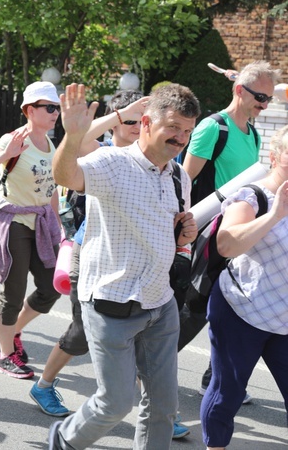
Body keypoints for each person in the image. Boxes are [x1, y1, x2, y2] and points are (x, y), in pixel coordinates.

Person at [49, 83, 200, 449]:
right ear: (146, 122)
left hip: (160, 304)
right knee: (115, 403)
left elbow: (172, 235)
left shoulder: (179, 176)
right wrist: (72, 136)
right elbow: (65, 176)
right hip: (110, 304)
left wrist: (184, 234)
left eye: (187, 131)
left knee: (164, 408)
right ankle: (64, 440)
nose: (180, 138)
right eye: (173, 128)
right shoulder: (112, 162)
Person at [27, 90, 147, 409]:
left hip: (133, 259)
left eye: (141, 120)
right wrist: (122, 113)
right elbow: (78, 140)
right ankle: (44, 385)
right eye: (129, 120)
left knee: (142, 331)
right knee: (82, 332)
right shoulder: (100, 151)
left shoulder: (152, 160)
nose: (136, 126)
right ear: (115, 123)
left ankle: (158, 405)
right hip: (91, 255)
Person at [180, 60, 281, 397]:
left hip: (241, 234)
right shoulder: (213, 128)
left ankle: (216, 379)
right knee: (194, 310)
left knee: (233, 305)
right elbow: (183, 181)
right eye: (260, 98)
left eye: (268, 99)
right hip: (209, 234)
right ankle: (146, 370)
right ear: (239, 91)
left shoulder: (252, 132)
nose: (264, 105)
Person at [201, 125, 288, 450]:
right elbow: (225, 244)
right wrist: (275, 214)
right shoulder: (254, 196)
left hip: (283, 319)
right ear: (274, 156)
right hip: (242, 311)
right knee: (228, 392)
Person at [0, 81, 63, 380]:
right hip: (12, 221)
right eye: (49, 107)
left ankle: (12, 330)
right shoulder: (14, 138)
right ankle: (4, 354)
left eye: (57, 108)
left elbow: (52, 189)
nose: (55, 113)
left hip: (41, 222)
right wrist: (6, 152)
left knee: (52, 287)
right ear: (29, 110)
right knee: (13, 292)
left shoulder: (52, 144)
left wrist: (58, 227)